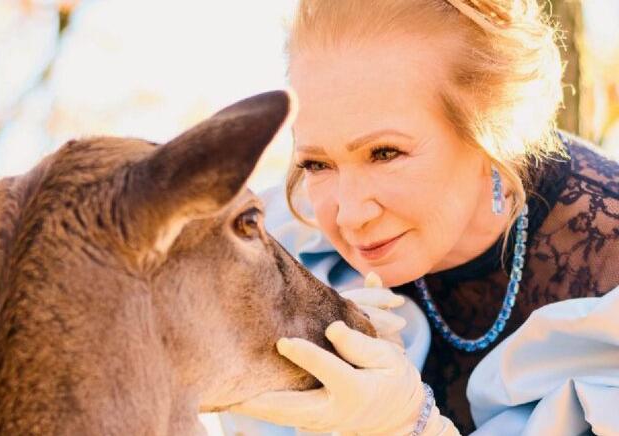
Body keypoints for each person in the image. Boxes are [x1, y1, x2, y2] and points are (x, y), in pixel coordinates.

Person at [220, 0, 619, 434]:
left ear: (492, 129)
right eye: (317, 164)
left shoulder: (606, 272)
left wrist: (408, 423)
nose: (350, 216)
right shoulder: (277, 241)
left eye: (385, 153)